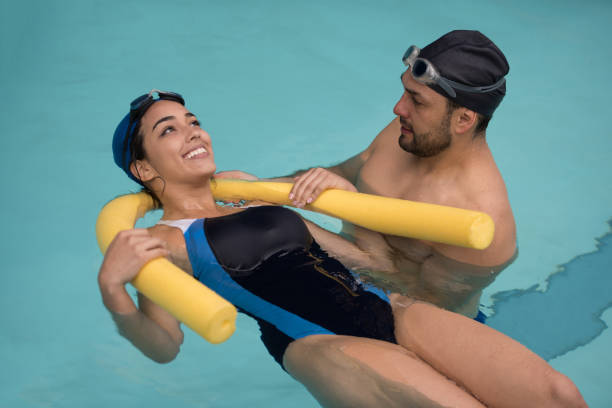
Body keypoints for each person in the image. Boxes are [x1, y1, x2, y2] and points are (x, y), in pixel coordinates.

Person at [98, 89, 586, 408]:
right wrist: (114, 290)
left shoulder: (249, 192)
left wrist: (345, 198)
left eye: (192, 120)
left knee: (556, 395)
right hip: (316, 342)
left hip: (383, 306)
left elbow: (372, 264)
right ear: (143, 169)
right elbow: (164, 346)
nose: (193, 132)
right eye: (169, 130)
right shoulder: (163, 239)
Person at [217, 30, 517, 321]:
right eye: (404, 91)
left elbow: (418, 310)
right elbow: (335, 177)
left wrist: (294, 221)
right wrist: (256, 188)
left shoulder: (481, 221)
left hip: (410, 340)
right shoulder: (406, 134)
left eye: (418, 100)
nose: (398, 108)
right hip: (341, 278)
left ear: (463, 119)